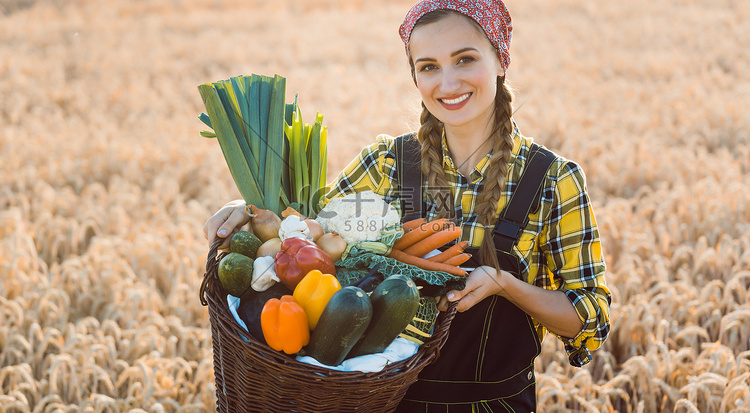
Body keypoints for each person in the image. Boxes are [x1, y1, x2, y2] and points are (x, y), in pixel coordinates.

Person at [203, 0, 611, 411]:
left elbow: (590, 318)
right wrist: (250, 211)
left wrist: (506, 285)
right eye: (429, 66)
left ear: (501, 60)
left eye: (465, 59)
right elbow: (306, 230)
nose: (447, 83)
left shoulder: (550, 180)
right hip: (389, 404)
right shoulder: (387, 164)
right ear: (415, 75)